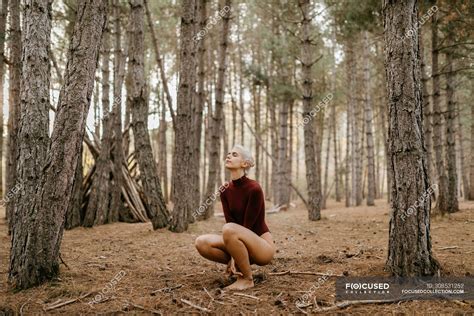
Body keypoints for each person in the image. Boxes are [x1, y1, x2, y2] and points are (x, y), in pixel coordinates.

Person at [195, 145, 276, 290]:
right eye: (227, 154)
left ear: (244, 164)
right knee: (201, 242)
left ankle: (246, 278)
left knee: (229, 229)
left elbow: (247, 226)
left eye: (234, 154)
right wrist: (233, 254)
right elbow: (230, 222)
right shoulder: (224, 189)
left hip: (262, 247)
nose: (228, 156)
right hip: (237, 239)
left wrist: (233, 256)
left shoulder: (254, 188)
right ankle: (240, 264)